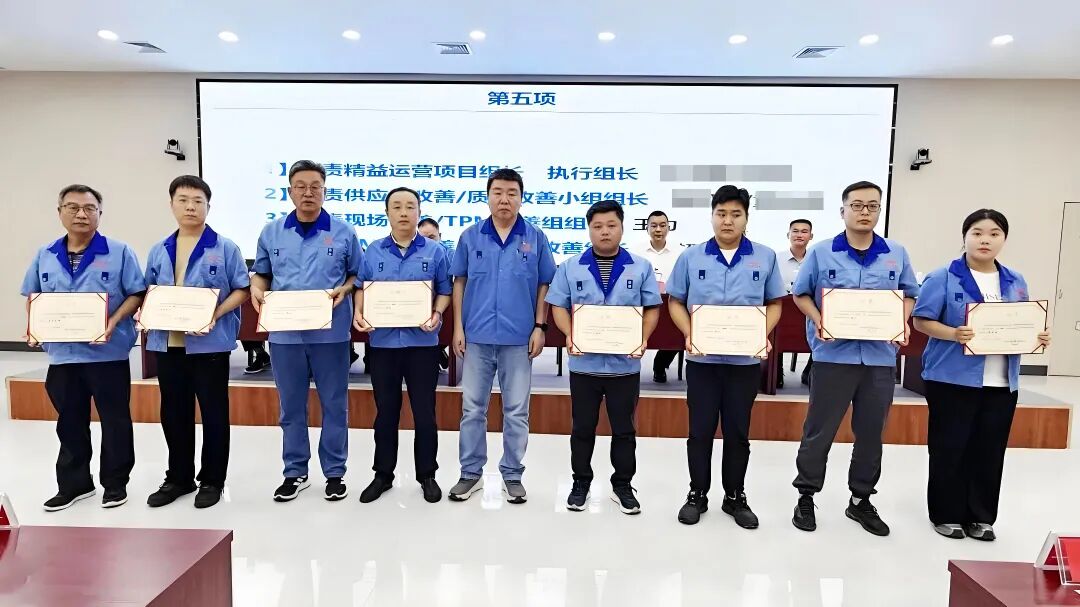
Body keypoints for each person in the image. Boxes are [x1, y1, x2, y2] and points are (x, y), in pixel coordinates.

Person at [790, 180, 919, 537]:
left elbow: (910, 293)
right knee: (819, 430)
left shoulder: (896, 253)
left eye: (872, 206)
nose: (865, 212)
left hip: (879, 359)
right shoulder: (821, 252)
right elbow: (801, 294)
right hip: (833, 356)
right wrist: (819, 320)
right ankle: (806, 495)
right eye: (857, 205)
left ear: (879, 210)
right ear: (843, 210)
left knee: (871, 433)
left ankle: (860, 499)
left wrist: (901, 320)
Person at [913, 209, 1050, 541]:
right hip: (951, 378)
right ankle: (946, 514)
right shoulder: (942, 277)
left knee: (990, 450)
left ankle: (981, 517)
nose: (985, 239)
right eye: (977, 232)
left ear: (1004, 239)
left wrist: (1036, 336)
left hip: (1002, 381)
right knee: (950, 448)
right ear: (965, 237)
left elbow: (1021, 320)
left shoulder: (1015, 280)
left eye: (994, 233)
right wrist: (953, 334)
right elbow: (921, 320)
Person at [21, 184, 146, 511]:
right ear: (60, 211)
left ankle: (115, 484)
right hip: (63, 356)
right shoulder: (45, 254)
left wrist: (114, 320)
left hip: (108, 354)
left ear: (99, 214)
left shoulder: (119, 252)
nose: (81, 214)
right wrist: (34, 327)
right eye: (73, 207)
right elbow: (33, 296)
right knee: (69, 422)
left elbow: (137, 294)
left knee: (115, 421)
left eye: (90, 208)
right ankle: (74, 485)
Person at [667, 186, 785, 528]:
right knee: (699, 431)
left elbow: (775, 303)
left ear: (746, 218)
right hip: (702, 363)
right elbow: (675, 301)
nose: (728, 221)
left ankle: (734, 496)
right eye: (721, 214)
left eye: (735, 214)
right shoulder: (691, 257)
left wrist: (761, 333)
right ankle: (697, 494)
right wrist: (689, 332)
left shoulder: (765, 257)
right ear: (712, 216)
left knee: (737, 432)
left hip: (743, 364)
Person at [251, 160, 362, 503]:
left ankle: (335, 473)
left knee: (335, 405)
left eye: (315, 186)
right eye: (301, 186)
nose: (308, 192)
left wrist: (346, 288)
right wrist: (256, 289)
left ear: (325, 191)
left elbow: (357, 275)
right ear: (290, 191)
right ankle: (295, 471)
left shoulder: (344, 232)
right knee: (291, 407)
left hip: (331, 335)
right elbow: (262, 273)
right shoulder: (271, 232)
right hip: (285, 335)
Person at [545, 200, 662, 514]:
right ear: (589, 230)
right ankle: (580, 482)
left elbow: (652, 308)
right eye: (597, 226)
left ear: (622, 228)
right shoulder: (571, 266)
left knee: (624, 430)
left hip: (624, 367)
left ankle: (622, 485)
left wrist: (642, 337)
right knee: (582, 429)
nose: (605, 232)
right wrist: (569, 333)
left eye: (611, 225)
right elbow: (558, 306)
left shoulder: (641, 267)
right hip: (585, 365)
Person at [447, 168, 556, 504]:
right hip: (477, 337)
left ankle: (512, 473)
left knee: (517, 411)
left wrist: (540, 327)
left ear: (521, 198)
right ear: (488, 196)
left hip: (519, 338)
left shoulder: (535, 237)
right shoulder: (470, 236)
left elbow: (544, 283)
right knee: (472, 409)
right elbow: (459, 282)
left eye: (511, 193)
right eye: (498, 192)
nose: (504, 199)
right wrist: (458, 328)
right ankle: (470, 473)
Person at [143, 175, 250, 509]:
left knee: (214, 413)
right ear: (172, 204)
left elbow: (242, 289)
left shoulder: (225, 247)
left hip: (210, 346)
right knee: (174, 413)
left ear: (208, 206)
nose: (190, 207)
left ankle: (212, 480)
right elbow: (149, 290)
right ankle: (178, 478)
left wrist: (215, 313)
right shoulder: (159, 249)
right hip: (168, 345)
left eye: (198, 201)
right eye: (183, 200)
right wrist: (146, 311)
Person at [353, 187, 452, 504]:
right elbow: (361, 287)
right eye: (397, 206)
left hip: (423, 344)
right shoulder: (373, 250)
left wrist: (437, 313)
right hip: (383, 344)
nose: (404, 212)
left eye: (410, 206)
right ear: (387, 213)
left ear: (419, 212)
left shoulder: (435, 252)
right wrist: (359, 312)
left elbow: (445, 291)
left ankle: (427, 475)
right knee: (386, 412)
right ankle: (383, 474)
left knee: (425, 413)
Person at [635, 210, 680, 383]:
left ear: (669, 227)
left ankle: (660, 365)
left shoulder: (679, 252)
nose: (658, 229)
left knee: (679, 330)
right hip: (642, 302)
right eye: (653, 226)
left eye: (662, 225)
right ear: (647, 228)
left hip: (671, 302)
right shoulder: (636, 251)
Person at [780, 219, 814, 388]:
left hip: (810, 311)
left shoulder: (816, 259)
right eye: (795, 231)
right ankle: (775, 370)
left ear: (811, 236)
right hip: (782, 312)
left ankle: (810, 370)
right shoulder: (776, 258)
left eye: (804, 231)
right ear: (788, 234)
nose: (799, 235)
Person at [418, 217, 451, 371]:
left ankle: (438, 352)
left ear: (440, 236)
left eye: (432, 237)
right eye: (423, 238)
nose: (428, 242)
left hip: (445, 306)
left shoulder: (450, 254)